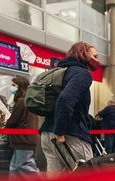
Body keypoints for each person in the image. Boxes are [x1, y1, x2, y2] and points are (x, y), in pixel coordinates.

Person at [40, 42, 99, 172]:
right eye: (95, 55)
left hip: (47, 134)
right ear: (84, 54)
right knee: (87, 180)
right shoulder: (82, 74)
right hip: (69, 134)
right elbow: (65, 99)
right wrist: (59, 131)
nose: (97, 60)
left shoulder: (60, 72)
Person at [5, 76, 39, 177]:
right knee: (14, 167)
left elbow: (12, 121)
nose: (11, 87)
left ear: (21, 87)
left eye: (14, 85)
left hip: (23, 140)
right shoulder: (27, 101)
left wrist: (6, 125)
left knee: (26, 166)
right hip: (25, 139)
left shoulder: (21, 102)